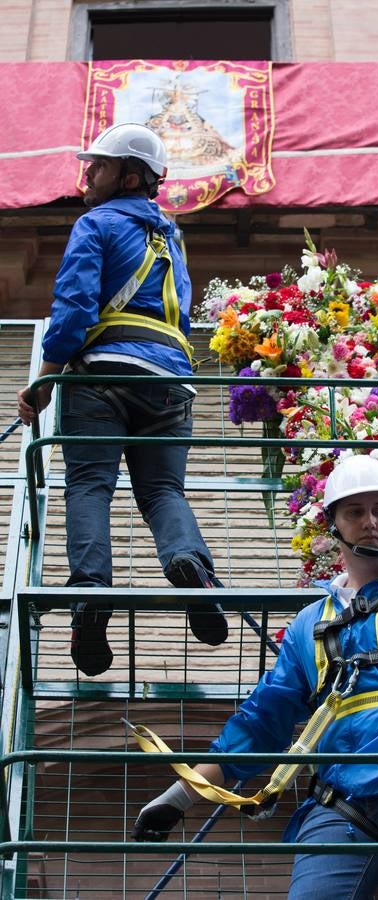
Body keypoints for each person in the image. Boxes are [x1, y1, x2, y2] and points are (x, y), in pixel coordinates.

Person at [132, 454, 378, 899]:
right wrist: (181, 796)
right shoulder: (310, 624)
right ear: (333, 523)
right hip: (341, 800)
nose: (370, 521)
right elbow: (261, 721)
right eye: (355, 511)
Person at [17, 122, 227, 677]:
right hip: (170, 382)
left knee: (89, 484)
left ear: (130, 176)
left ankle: (91, 595)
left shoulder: (95, 223)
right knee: (161, 489)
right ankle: (191, 566)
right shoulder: (170, 236)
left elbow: (75, 307)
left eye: (100, 166)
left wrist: (44, 380)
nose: (87, 174)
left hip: (103, 376)